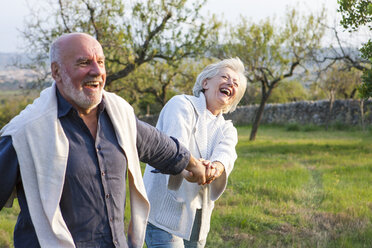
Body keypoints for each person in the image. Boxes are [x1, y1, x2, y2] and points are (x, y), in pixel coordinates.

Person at [0, 33, 208, 248]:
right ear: (56, 71)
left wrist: (193, 165)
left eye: (101, 62)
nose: (97, 71)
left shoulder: (119, 115)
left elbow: (158, 146)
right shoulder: (24, 133)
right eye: (84, 62)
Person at [143, 58, 247, 247]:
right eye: (225, 77)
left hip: (198, 218)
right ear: (205, 83)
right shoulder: (181, 104)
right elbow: (176, 146)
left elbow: (226, 154)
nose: (231, 83)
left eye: (236, 83)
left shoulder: (227, 128)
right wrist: (192, 168)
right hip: (164, 214)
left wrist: (215, 168)